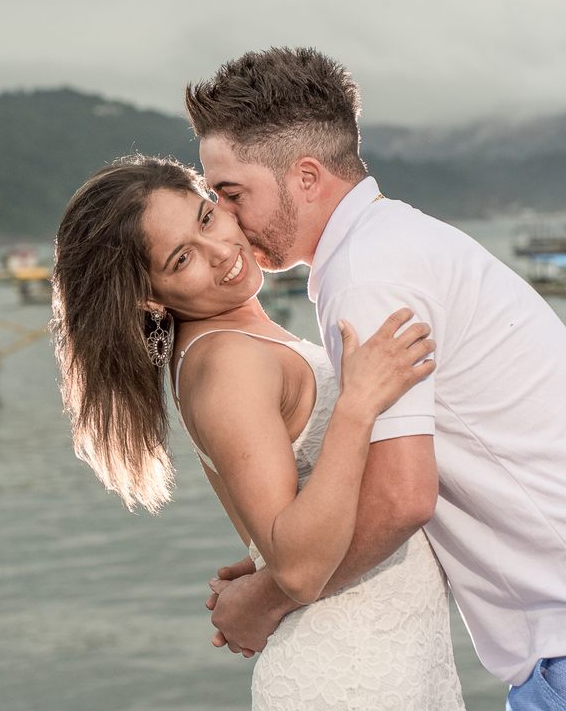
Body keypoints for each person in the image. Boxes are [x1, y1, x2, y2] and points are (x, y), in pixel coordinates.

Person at [185, 47, 566, 710]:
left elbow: (403, 496)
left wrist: (266, 597)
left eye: (232, 193)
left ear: (306, 177)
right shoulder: (394, 241)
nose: (229, 219)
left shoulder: (368, 273)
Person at [53, 154, 465, 709]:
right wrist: (357, 405)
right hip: (352, 675)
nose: (222, 252)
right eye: (182, 259)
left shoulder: (228, 341)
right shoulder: (227, 363)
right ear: (148, 297)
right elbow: (297, 568)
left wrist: (259, 583)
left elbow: (290, 528)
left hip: (387, 657)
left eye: (205, 218)